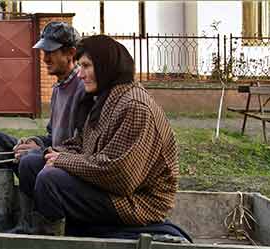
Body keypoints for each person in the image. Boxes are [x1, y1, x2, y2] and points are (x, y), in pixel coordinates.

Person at [14, 35, 179, 236]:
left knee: (50, 179)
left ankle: (53, 246)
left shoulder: (134, 107)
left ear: (106, 66)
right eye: (80, 66)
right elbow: (81, 144)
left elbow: (121, 177)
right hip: (107, 186)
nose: (80, 74)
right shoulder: (105, 97)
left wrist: (62, 160)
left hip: (136, 202)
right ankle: (30, 231)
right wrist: (46, 152)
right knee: (31, 163)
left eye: (86, 66)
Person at [0, 21, 85, 232]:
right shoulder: (58, 88)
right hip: (51, 155)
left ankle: (29, 228)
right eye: (44, 52)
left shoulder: (83, 89)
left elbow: (81, 146)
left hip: (67, 168)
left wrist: (40, 150)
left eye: (51, 52)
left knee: (29, 161)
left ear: (70, 53)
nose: (45, 58)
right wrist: (35, 142)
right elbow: (52, 135)